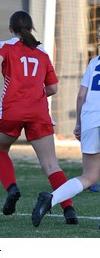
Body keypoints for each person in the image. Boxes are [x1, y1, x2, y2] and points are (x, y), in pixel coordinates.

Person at [0, 10, 78, 224]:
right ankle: (69, 210)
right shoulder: (42, 53)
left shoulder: (4, 46)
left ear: (10, 29)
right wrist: (35, 91)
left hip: (12, 110)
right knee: (51, 165)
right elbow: (53, 87)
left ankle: (12, 188)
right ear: (31, 29)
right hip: (38, 112)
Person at [32, 53, 100, 227]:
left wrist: (79, 123)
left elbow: (81, 96)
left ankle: (51, 199)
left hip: (90, 120)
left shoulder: (94, 62)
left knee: (89, 177)